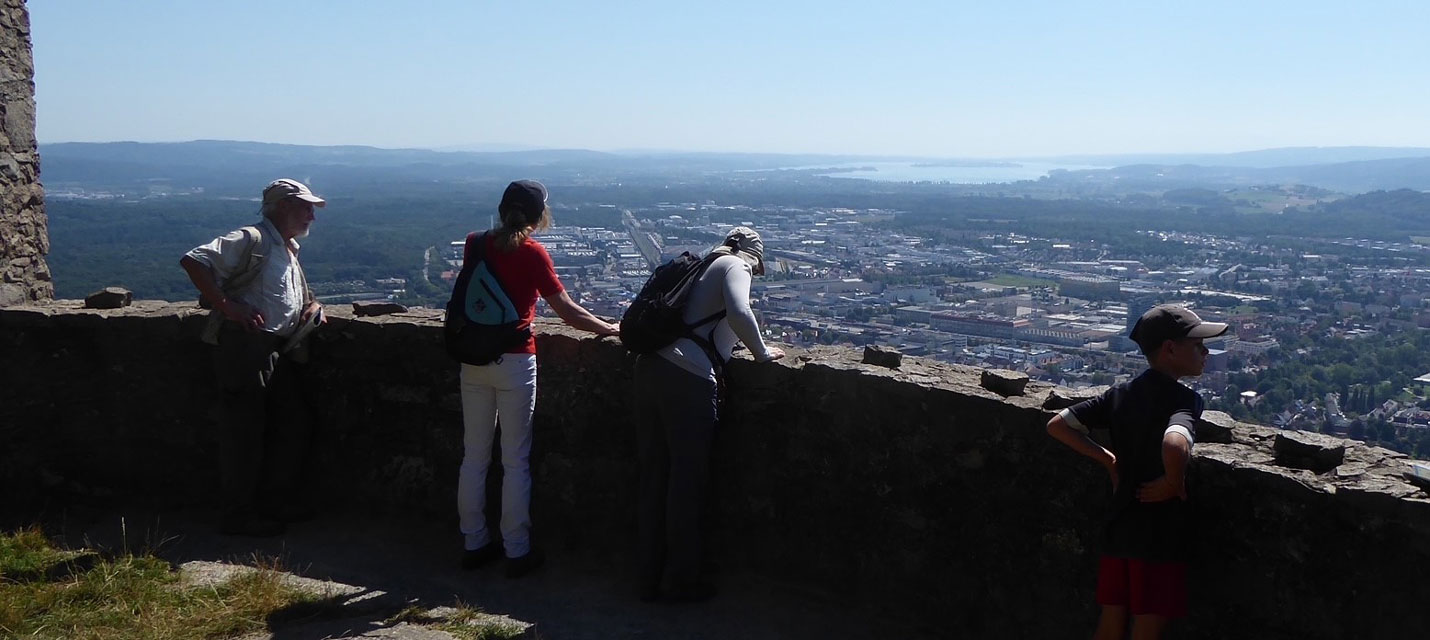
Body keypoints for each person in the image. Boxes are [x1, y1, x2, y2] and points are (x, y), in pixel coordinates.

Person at [456, 179, 620, 578]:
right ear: (538, 216)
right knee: (515, 461)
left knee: (474, 456)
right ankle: (516, 549)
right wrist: (611, 330)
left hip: (473, 358)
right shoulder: (532, 253)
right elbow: (567, 311)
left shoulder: (474, 243)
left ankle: (474, 542)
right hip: (515, 360)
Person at [1046, 304, 1228, 640]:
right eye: (1198, 344)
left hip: (1120, 523)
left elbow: (1058, 425)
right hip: (1159, 533)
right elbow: (1175, 444)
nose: (1206, 351)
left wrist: (1108, 460)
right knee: (1147, 623)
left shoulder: (1121, 394)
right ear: (1170, 349)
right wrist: (1173, 482)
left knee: (1112, 618)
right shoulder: (1184, 399)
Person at [633, 226, 786, 603]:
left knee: (654, 477)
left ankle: (646, 577)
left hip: (648, 369)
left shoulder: (699, 264)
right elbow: (739, 310)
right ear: (753, 255)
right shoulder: (735, 264)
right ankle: (681, 581)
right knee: (686, 484)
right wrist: (763, 353)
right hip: (687, 377)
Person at [179, 178, 328, 537]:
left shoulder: (288, 248)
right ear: (280, 207)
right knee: (244, 433)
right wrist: (228, 306)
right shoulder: (251, 239)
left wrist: (312, 305)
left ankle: (271, 503)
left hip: (275, 347)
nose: (312, 215)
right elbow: (195, 261)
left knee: (290, 424)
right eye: (304, 208)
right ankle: (239, 515)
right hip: (245, 347)